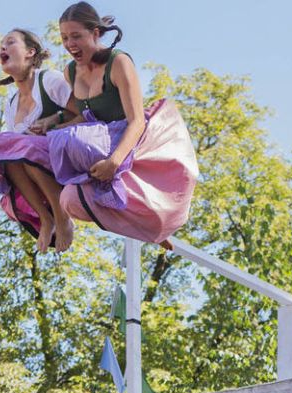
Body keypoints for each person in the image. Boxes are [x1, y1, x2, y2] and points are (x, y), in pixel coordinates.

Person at [47, 2, 199, 247]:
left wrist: (114, 162)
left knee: (73, 150)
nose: (69, 44)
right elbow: (84, 117)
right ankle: (49, 220)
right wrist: (54, 122)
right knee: (69, 197)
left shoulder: (119, 63)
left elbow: (136, 120)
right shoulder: (71, 71)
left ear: (95, 33)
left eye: (76, 36)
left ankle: (153, 226)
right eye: (64, 38)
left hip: (128, 145)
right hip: (95, 143)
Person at [0, 29, 76, 253]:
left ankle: (62, 217)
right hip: (36, 169)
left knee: (21, 145)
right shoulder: (11, 104)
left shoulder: (49, 80)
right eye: (1, 45)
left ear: (30, 52)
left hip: (66, 160)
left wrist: (53, 120)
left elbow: (83, 113)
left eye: (10, 42)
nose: (2, 48)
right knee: (5, 149)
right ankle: (46, 218)